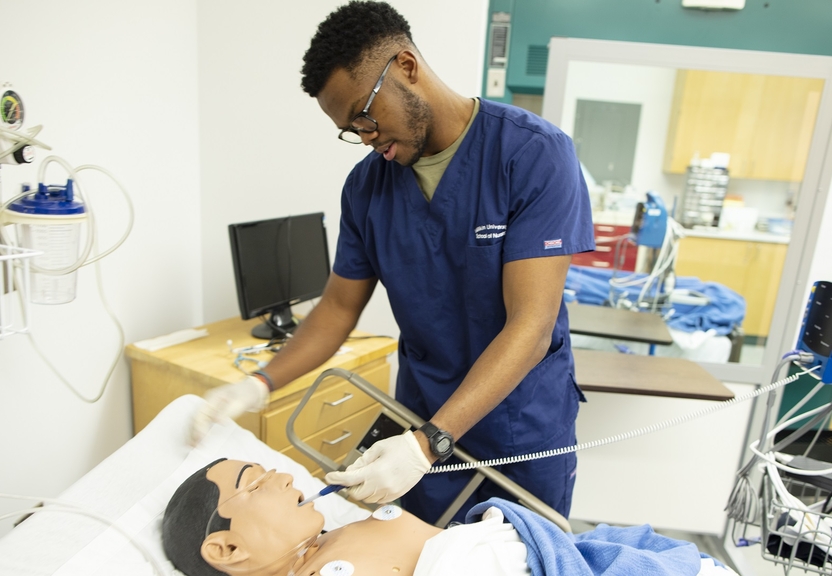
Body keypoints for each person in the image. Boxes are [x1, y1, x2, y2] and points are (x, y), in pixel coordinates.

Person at [190, 0, 595, 524]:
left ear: (406, 67)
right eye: (350, 129)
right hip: (421, 415)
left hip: (519, 422)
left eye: (365, 115)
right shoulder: (367, 187)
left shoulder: (532, 155)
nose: (364, 137)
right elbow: (337, 308)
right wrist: (258, 383)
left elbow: (532, 325)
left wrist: (427, 445)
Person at [161, 458, 737, 576]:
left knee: (624, 545)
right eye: (256, 484)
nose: (284, 476)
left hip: (544, 551)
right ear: (228, 549)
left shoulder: (328, 539)